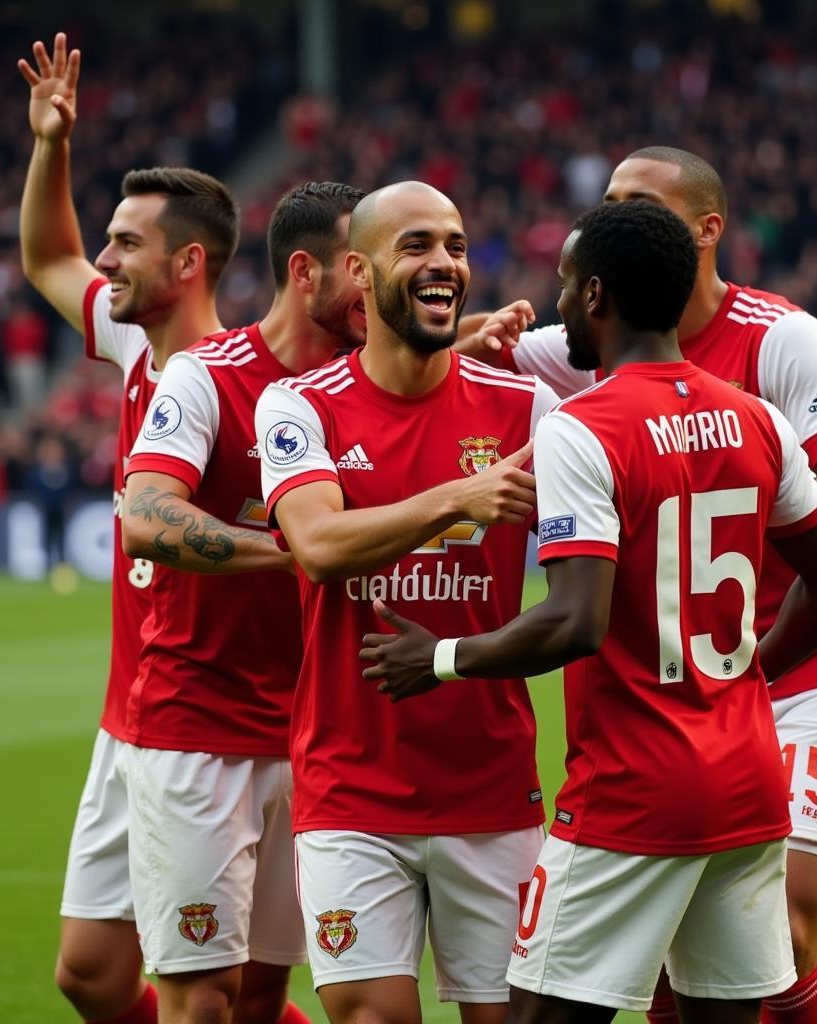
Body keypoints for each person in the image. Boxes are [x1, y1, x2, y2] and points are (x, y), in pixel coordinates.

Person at [363, 200, 817, 1024]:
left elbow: (574, 622)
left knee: (533, 1017)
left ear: (595, 295)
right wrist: (740, 681)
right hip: (747, 780)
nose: (555, 307)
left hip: (634, 790)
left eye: (563, 286)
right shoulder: (758, 420)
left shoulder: (583, 428)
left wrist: (444, 658)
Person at [254, 181, 559, 1024]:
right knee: (370, 1015)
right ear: (359, 270)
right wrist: (462, 497)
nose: (444, 264)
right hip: (354, 787)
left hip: (491, 788)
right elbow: (316, 547)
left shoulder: (528, 407)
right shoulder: (298, 405)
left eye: (457, 248)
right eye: (417, 245)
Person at [18, 33, 241, 1024]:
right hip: (129, 713)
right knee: (92, 974)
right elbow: (46, 255)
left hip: (219, 721)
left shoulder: (255, 377)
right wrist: (51, 145)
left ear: (188, 262)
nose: (104, 261)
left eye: (128, 244)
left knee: (218, 986)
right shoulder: (131, 341)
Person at [118, 182, 368, 1024]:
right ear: (306, 272)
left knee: (265, 994)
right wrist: (291, 552)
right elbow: (146, 517)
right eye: (362, 267)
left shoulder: (359, 388)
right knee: (199, 1000)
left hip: (313, 737)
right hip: (198, 733)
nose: (383, 286)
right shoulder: (206, 376)